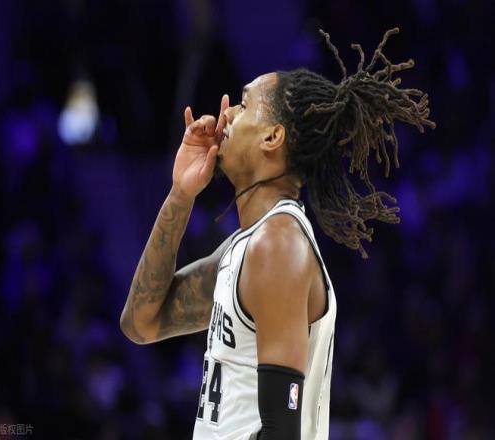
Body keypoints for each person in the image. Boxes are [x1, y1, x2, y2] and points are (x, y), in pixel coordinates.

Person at [120, 28, 435, 440]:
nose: (227, 113)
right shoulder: (246, 249)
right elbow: (140, 323)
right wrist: (180, 195)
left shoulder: (278, 246)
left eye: (244, 103)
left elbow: (281, 432)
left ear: (273, 137)